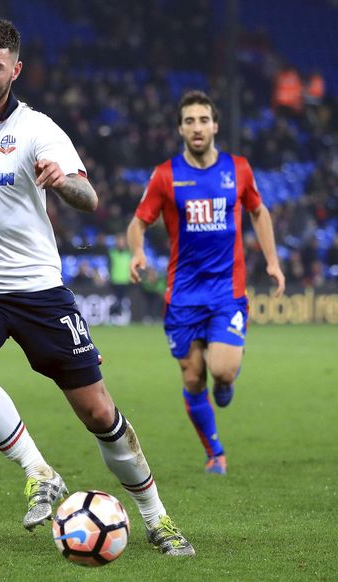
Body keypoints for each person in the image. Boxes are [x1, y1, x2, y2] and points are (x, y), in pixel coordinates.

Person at [0, 19, 194, 556]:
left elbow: (88, 197)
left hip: (37, 287)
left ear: (14, 70)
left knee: (98, 412)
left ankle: (157, 517)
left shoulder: (40, 129)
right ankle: (39, 471)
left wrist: (60, 180)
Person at [126, 90, 286, 476]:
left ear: (215, 126)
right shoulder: (166, 175)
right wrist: (137, 252)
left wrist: (273, 261)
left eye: (203, 120)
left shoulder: (239, 169)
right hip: (182, 295)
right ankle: (215, 453)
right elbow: (138, 222)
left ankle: (227, 382)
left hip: (225, 292)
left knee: (222, 371)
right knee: (193, 376)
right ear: (180, 129)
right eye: (189, 121)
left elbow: (259, 212)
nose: (197, 128)